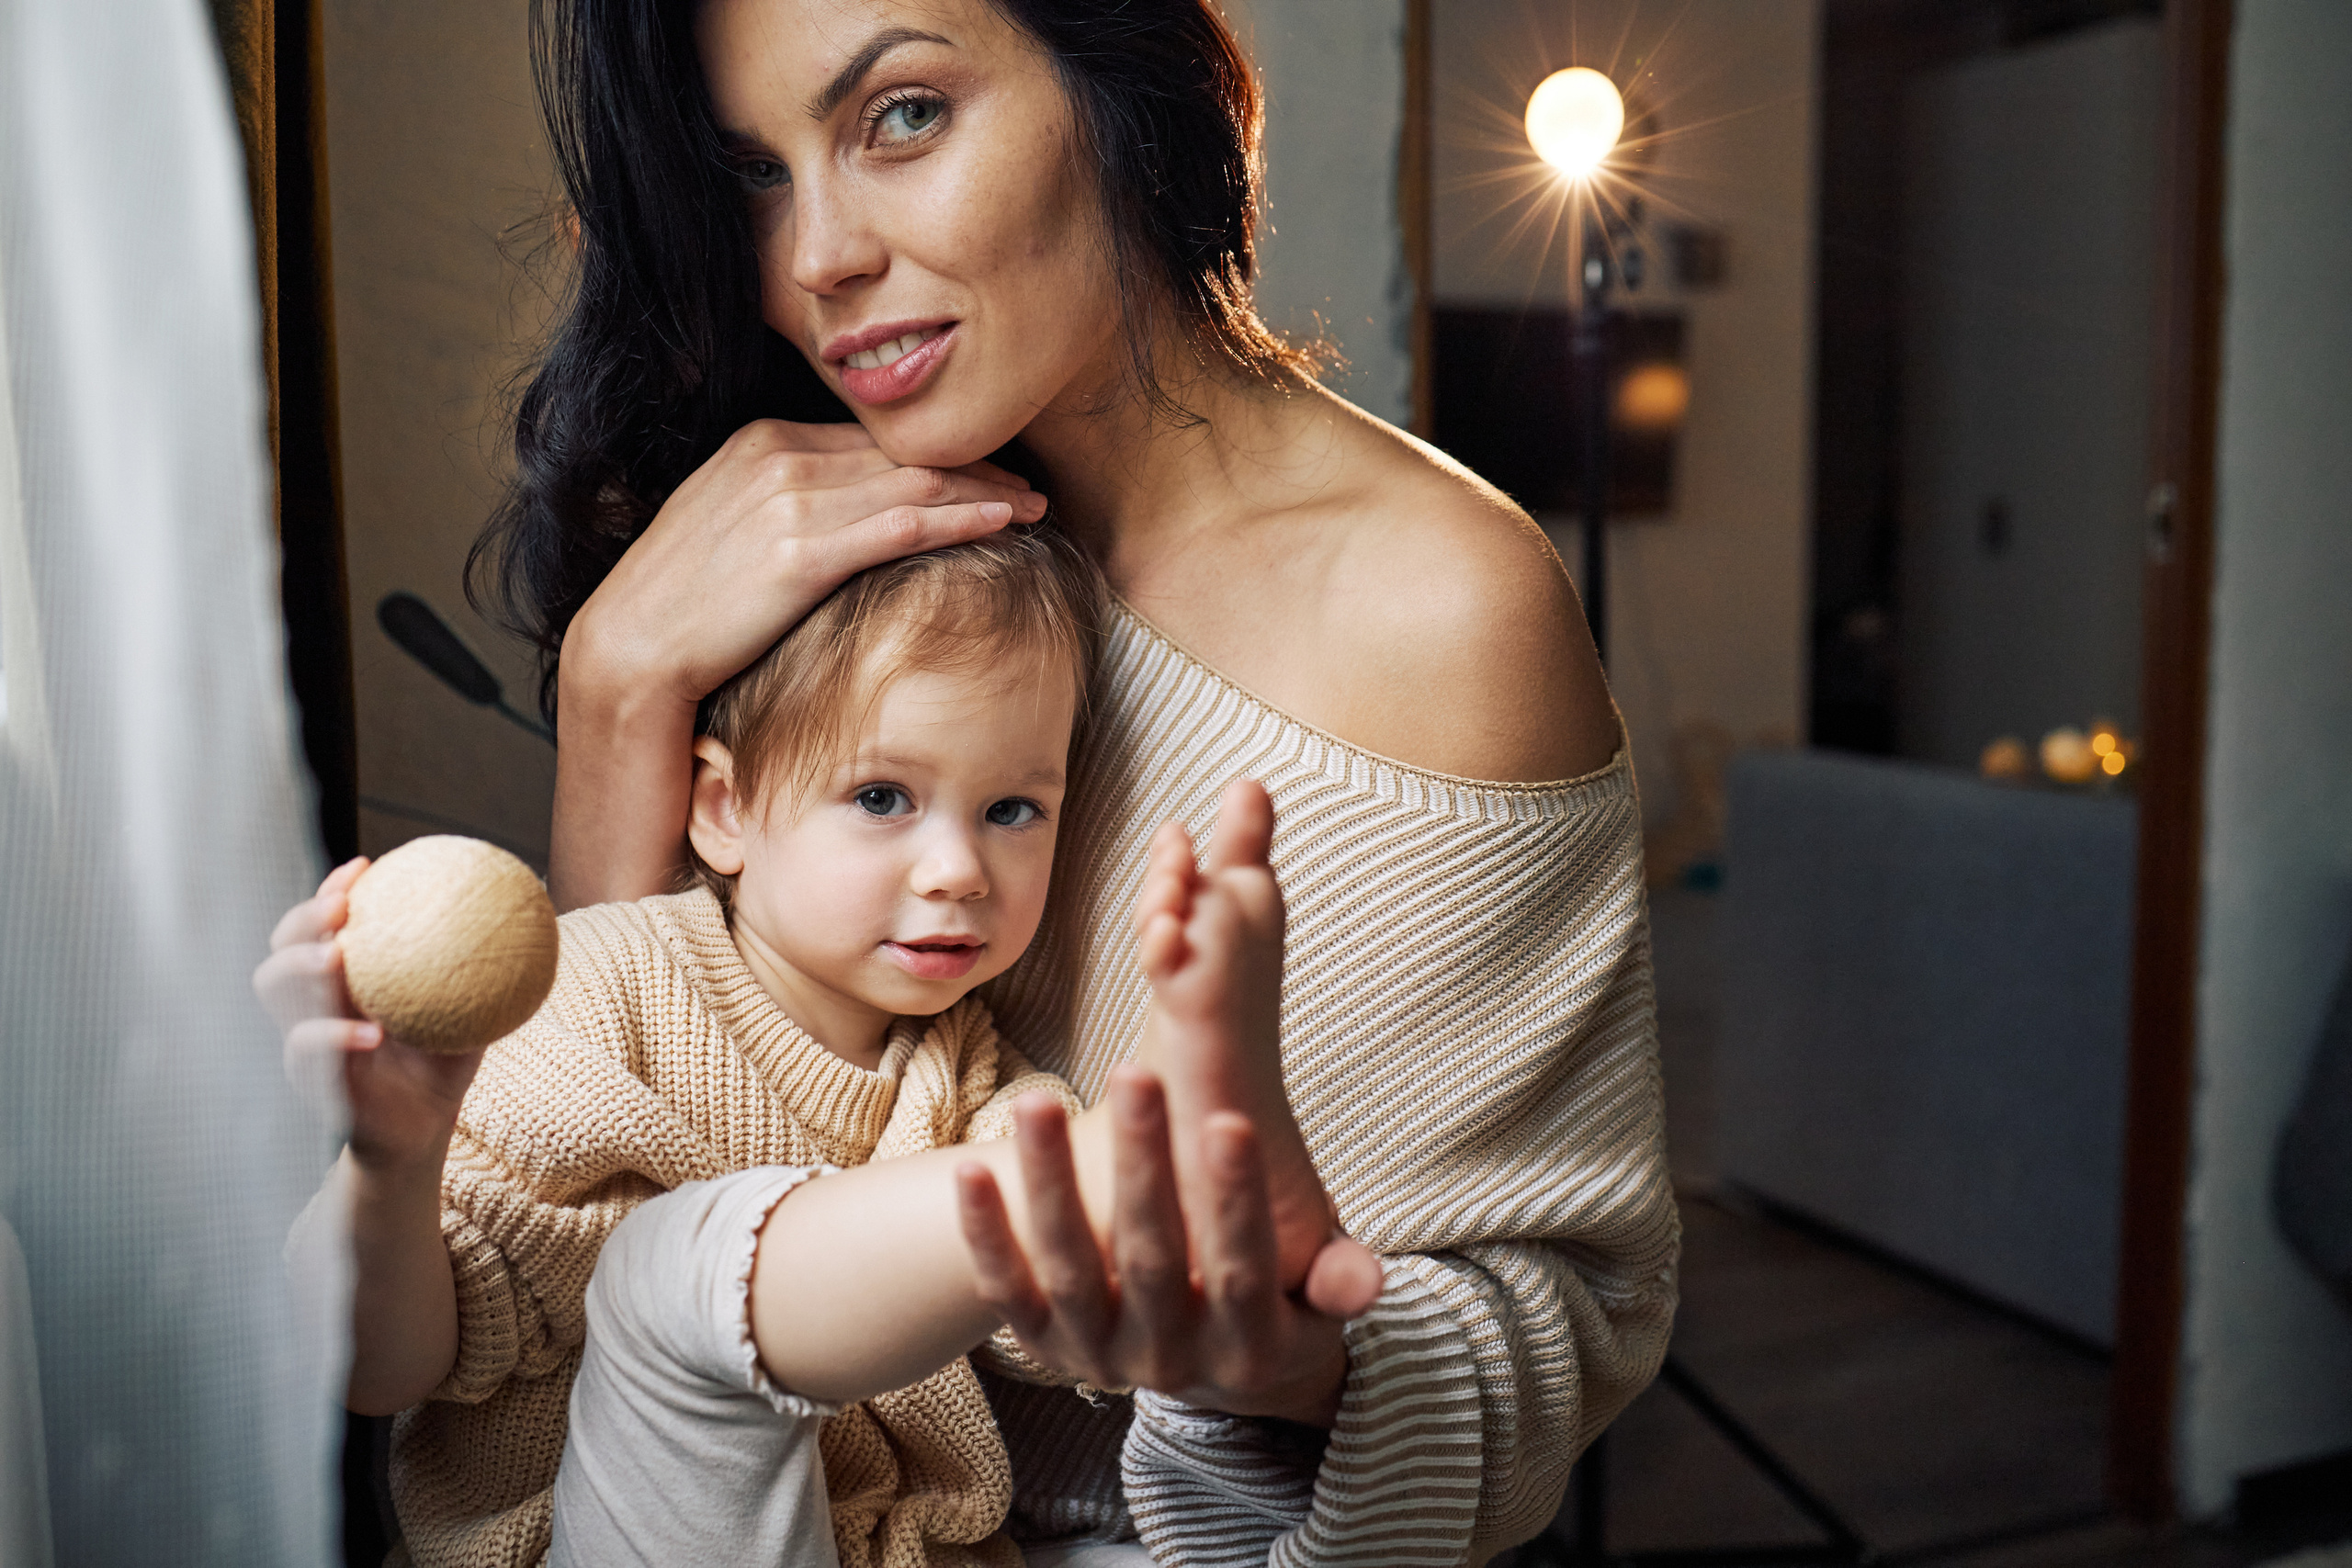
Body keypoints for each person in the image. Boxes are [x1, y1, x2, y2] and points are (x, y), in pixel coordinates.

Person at [475, 0, 1680, 1561]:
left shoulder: (1436, 606)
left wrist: (1283, 1354)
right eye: (752, 176)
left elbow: (1565, 1325)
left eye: (901, 117)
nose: (816, 258)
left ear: (1116, 79)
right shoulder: (778, 545)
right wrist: (619, 681)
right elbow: (610, 1174)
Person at [261, 530, 1374, 1566]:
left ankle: (1180, 1164)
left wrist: (1180, 1287)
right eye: (883, 797)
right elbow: (372, 1369)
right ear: (724, 809)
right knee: (689, 1270)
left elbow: (1068, 1339)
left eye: (1012, 809)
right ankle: (1154, 1145)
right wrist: (393, 1163)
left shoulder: (964, 1073)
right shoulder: (597, 992)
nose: (958, 870)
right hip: (616, 1534)